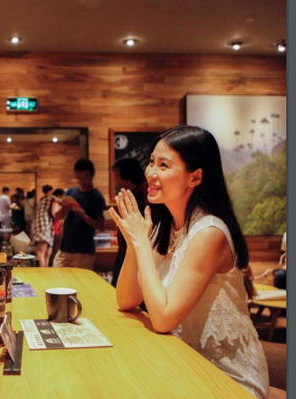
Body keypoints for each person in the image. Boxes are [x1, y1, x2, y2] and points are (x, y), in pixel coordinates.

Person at [111, 126, 269, 399]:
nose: (151, 173)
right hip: (182, 360)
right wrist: (134, 245)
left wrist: (140, 242)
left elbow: (163, 319)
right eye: (151, 162)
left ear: (195, 177)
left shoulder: (210, 232)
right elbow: (127, 300)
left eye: (164, 165)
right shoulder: (167, 226)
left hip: (227, 376)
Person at [53, 159, 107, 269]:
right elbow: (58, 216)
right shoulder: (70, 192)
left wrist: (83, 215)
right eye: (79, 178)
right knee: (55, 279)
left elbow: (101, 226)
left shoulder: (97, 197)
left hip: (84, 252)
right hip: (64, 249)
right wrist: (65, 206)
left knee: (79, 284)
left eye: (85, 178)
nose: (82, 181)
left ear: (92, 175)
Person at [110, 158, 148, 287]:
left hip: (138, 255)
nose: (116, 181)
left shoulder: (145, 195)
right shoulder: (133, 193)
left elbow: (141, 226)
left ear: (128, 176)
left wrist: (119, 223)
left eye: (117, 177)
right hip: (125, 251)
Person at [32, 185, 54, 267]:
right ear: (49, 191)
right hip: (44, 226)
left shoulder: (42, 200)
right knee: (42, 252)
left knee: (45, 252)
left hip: (43, 227)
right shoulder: (48, 199)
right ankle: (44, 274)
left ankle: (45, 273)